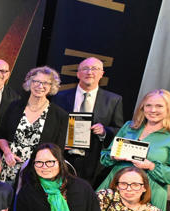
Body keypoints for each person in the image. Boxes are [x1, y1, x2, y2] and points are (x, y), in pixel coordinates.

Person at [98, 89, 170, 211]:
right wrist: (113, 156)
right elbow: (104, 157)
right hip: (116, 186)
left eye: (159, 106)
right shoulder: (129, 127)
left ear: (169, 109)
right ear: (142, 108)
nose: (153, 110)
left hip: (148, 192)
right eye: (148, 105)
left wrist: (151, 166)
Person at [53, 57, 124, 186]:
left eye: (95, 69)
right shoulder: (59, 97)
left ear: (101, 74)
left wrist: (104, 131)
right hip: (64, 156)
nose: (90, 72)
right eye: (85, 68)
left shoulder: (113, 100)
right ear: (78, 74)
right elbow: (52, 126)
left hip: (93, 162)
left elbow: (119, 130)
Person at [0, 66, 68, 183]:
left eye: (45, 83)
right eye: (36, 81)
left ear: (51, 86)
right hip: (9, 168)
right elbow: (0, 136)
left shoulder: (60, 115)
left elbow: (58, 150)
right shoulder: (14, 106)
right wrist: (7, 153)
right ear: (29, 83)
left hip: (37, 173)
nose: (40, 86)